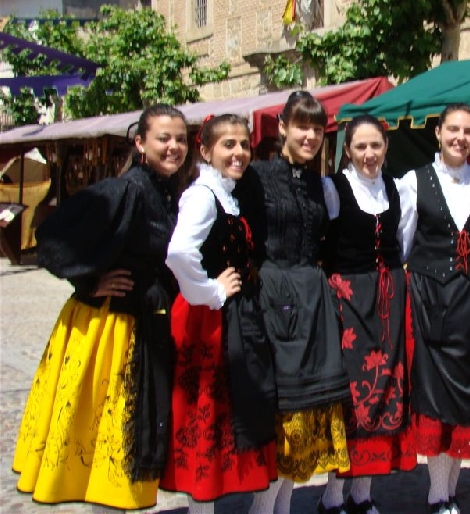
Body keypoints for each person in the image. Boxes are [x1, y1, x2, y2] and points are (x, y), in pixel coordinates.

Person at [13, 104, 189, 510]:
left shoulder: (171, 192)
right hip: (112, 330)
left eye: (180, 139)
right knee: (109, 436)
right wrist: (91, 282)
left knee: (132, 434)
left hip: (147, 326)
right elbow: (53, 234)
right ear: (141, 143)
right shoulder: (125, 189)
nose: (174, 147)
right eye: (164, 138)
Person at [238, 91, 351, 514]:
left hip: (312, 300)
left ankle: (281, 507)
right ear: (282, 126)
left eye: (317, 128)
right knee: (283, 408)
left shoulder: (321, 184)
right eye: (302, 126)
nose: (310, 135)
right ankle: (262, 508)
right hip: (272, 297)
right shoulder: (256, 177)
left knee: (306, 409)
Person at [160, 114, 278, 513]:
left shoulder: (226, 192)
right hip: (207, 322)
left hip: (229, 318)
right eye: (228, 144)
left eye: (244, 144)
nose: (239, 152)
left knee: (226, 417)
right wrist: (211, 291)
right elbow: (178, 253)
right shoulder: (203, 195)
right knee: (205, 418)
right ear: (206, 150)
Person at [397, 103, 470, 514]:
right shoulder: (413, 182)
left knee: (466, 401)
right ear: (438, 133)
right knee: (436, 400)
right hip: (430, 303)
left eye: (469, 131)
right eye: (453, 129)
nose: (461, 137)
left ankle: (449, 491)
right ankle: (438, 494)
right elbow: (405, 242)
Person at [319, 115, 417, 514]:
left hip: (389, 301)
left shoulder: (398, 190)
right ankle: (332, 496)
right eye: (360, 146)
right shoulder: (333, 188)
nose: (369, 154)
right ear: (347, 150)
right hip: (347, 301)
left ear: (386, 147)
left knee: (383, 394)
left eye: (375, 145)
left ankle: (363, 494)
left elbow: (403, 242)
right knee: (348, 398)